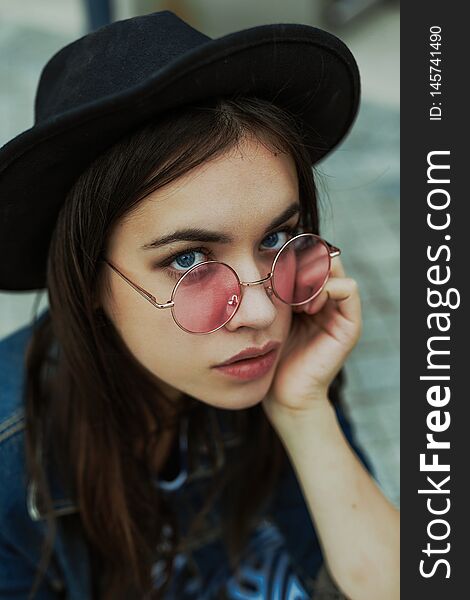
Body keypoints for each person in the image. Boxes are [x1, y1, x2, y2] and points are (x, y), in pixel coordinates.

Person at [0, 10, 399, 600]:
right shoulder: (14, 463)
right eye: (188, 260)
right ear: (86, 280)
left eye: (274, 240)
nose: (261, 313)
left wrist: (303, 410)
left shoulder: (280, 358)